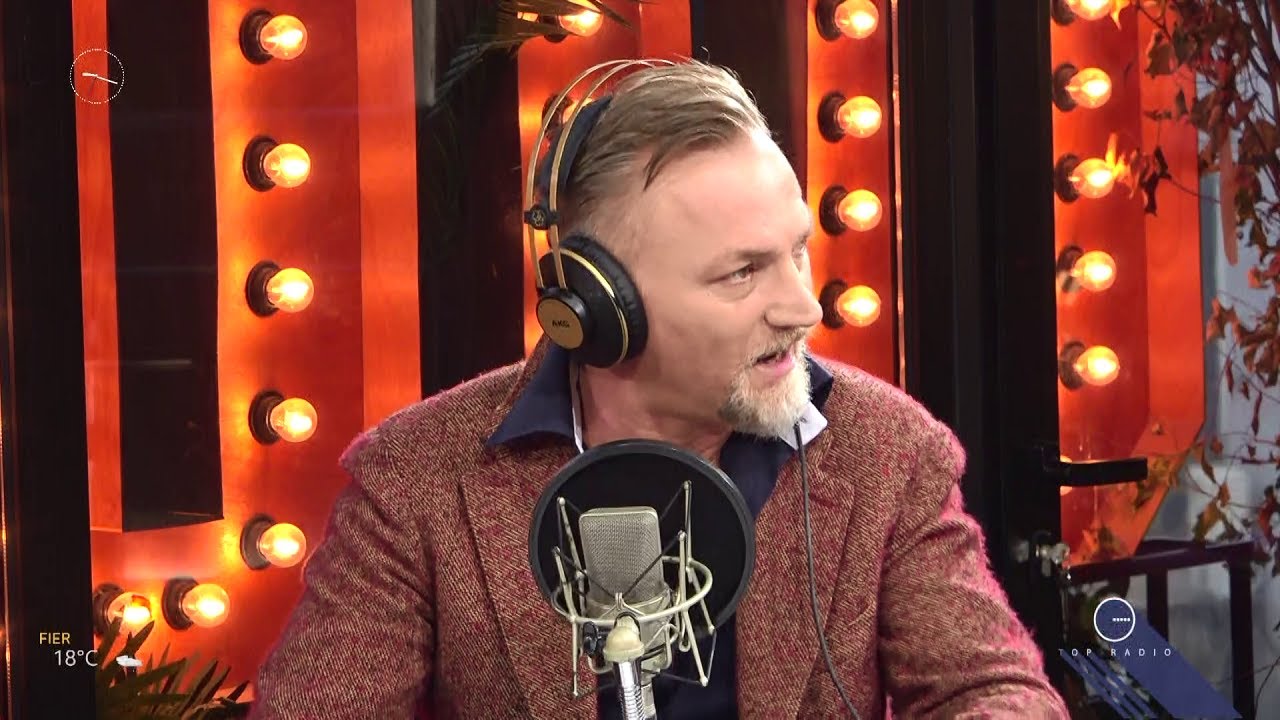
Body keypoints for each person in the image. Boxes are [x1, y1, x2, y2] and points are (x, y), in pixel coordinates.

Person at [248, 60, 1069, 719]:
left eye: (797, 252)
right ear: (601, 307)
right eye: (742, 272)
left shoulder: (888, 448)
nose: (802, 308)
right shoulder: (415, 479)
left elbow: (991, 690)